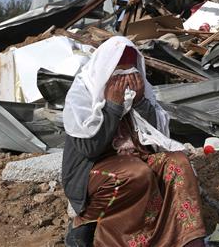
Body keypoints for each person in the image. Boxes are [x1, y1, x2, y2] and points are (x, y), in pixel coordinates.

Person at [62, 36, 206, 247]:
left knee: (178, 164)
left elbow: (156, 138)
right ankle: (94, 226)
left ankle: (188, 239)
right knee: (137, 174)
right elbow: (90, 148)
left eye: (131, 72)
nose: (125, 80)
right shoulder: (83, 96)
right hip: (92, 174)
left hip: (136, 162)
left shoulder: (139, 92)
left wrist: (139, 102)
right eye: (118, 73)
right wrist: (112, 106)